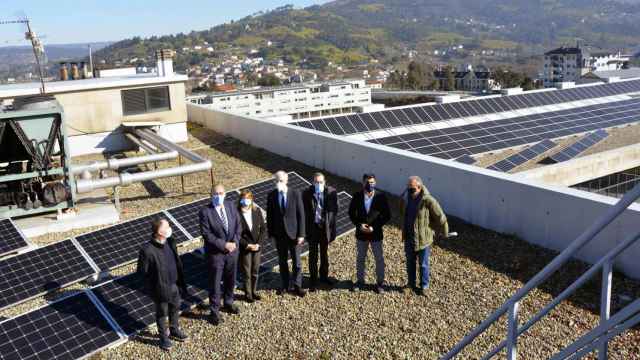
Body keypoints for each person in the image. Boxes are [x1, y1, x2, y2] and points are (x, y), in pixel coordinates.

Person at [137, 218, 189, 351]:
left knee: (175, 308)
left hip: (174, 285)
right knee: (161, 313)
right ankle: (163, 338)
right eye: (167, 226)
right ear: (160, 231)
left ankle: (174, 329)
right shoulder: (147, 250)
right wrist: (153, 289)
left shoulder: (170, 242)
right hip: (160, 289)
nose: (170, 228)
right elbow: (142, 273)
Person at [199, 184, 242, 325]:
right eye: (215, 193)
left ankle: (228, 302)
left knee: (231, 279)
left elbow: (238, 226)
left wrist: (234, 242)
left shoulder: (230, 205)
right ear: (211, 195)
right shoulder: (205, 211)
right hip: (216, 254)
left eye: (221, 193)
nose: (218, 196)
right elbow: (207, 235)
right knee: (215, 283)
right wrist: (224, 245)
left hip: (232, 252)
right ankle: (214, 311)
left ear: (225, 193)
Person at [401, 176, 449, 295]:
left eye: (412, 189)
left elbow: (441, 217)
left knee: (423, 264)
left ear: (419, 187)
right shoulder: (406, 198)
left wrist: (445, 231)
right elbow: (403, 213)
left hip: (423, 239)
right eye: (408, 188)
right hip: (409, 237)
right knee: (410, 262)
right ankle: (410, 284)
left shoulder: (428, 200)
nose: (409, 191)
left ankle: (424, 286)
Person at [348, 173, 391, 294]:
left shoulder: (381, 197)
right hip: (361, 234)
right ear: (363, 183)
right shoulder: (357, 196)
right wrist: (358, 225)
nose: (370, 184)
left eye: (372, 182)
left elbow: (387, 216)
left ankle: (380, 283)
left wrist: (374, 227)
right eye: (367, 182)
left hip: (375, 234)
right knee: (360, 258)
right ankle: (360, 281)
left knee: (379, 259)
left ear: (375, 183)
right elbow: (351, 213)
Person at [266, 171, 307, 297]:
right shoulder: (272, 195)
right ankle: (285, 285)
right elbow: (270, 216)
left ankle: (297, 285)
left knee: (297, 262)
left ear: (287, 180)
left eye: (281, 180)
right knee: (282, 262)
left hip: (294, 235)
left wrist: (301, 234)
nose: (279, 183)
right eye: (276, 180)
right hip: (279, 235)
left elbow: (301, 215)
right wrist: (271, 235)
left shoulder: (295, 194)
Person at [302, 172, 338, 291]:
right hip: (312, 229)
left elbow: (334, 212)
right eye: (316, 182)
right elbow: (303, 213)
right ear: (313, 182)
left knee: (324, 254)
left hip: (324, 229)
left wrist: (332, 230)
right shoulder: (307, 194)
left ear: (325, 182)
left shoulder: (331, 193)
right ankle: (313, 280)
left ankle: (323, 276)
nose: (318, 184)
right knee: (313, 255)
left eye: (321, 182)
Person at [238, 189, 267, 302]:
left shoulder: (257, 211)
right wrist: (246, 245)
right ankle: (248, 294)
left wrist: (258, 244)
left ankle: (254, 291)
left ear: (251, 199)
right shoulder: (237, 214)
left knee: (255, 270)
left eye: (248, 198)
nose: (246, 201)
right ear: (240, 200)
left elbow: (263, 229)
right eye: (244, 198)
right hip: (245, 247)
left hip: (257, 247)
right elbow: (236, 234)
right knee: (246, 271)